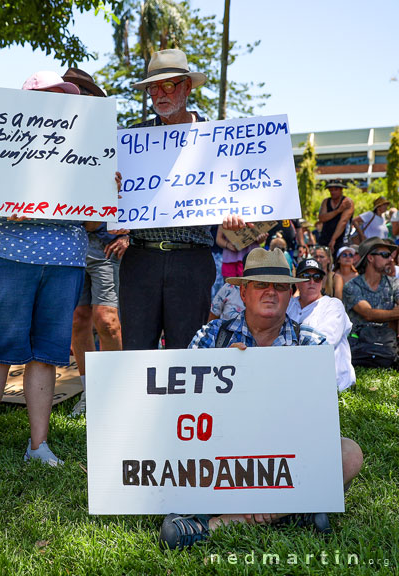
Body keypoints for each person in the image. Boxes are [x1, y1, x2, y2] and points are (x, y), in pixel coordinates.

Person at [160, 248, 364, 549]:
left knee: (349, 454)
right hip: (223, 455)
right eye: (261, 285)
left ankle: (215, 523)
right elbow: (185, 410)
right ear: (243, 292)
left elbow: (317, 421)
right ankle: (296, 509)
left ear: (290, 293)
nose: (271, 292)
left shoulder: (312, 343)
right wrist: (222, 372)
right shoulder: (211, 337)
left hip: (284, 455)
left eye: (280, 286)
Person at [0, 71, 87, 469]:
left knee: (48, 354)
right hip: (5, 257)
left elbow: (90, 220)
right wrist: (3, 204)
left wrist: (110, 197)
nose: (51, 104)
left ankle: (39, 446)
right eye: (43, 96)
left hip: (64, 260)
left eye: (58, 97)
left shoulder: (81, 148)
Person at [120, 49, 243, 351]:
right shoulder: (132, 139)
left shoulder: (218, 139)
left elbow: (241, 199)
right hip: (140, 258)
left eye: (169, 85)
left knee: (188, 348)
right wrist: (112, 192)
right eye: (154, 87)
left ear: (187, 87)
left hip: (192, 260)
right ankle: (139, 400)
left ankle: (187, 402)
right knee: (136, 348)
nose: (160, 93)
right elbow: (112, 201)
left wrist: (237, 217)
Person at [65, 67, 126, 416]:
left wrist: (130, 232)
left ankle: (114, 391)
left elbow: (140, 187)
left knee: (108, 320)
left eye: (82, 92)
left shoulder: (117, 138)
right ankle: (91, 392)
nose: (78, 98)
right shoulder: (57, 138)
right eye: (71, 92)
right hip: (70, 241)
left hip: (105, 242)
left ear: (93, 99)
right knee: (78, 319)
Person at [288, 258, 356, 391]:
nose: (312, 282)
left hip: (332, 382)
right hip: (296, 379)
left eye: (317, 277)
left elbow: (323, 345)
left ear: (322, 281)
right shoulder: (289, 305)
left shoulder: (333, 305)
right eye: (306, 277)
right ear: (297, 282)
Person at [342, 237, 399, 368]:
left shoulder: (394, 284)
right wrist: (395, 313)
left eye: (390, 256)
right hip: (359, 349)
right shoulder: (351, 286)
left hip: (387, 348)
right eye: (385, 255)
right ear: (370, 258)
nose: (391, 259)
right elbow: (368, 314)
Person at [317, 181, 354, 256]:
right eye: (331, 190)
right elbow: (322, 218)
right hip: (325, 238)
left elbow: (343, 222)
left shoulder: (348, 202)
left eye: (335, 189)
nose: (333, 192)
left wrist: (333, 239)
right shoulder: (326, 202)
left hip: (342, 240)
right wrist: (338, 211)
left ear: (341, 190)